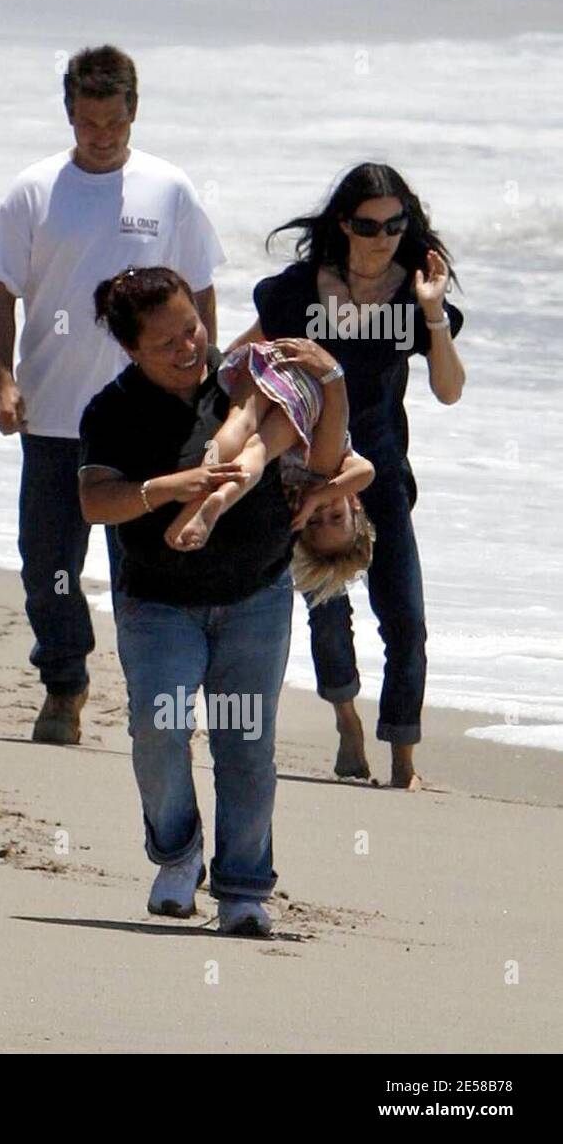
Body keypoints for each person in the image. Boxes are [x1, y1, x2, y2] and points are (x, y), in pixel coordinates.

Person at [0, 45, 225, 746]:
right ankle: (64, 680)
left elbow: (200, 292)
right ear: (69, 115)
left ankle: (152, 691)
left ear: (133, 112)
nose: (100, 136)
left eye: (112, 123)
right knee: (47, 562)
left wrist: (210, 388)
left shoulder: (169, 189)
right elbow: (0, 291)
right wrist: (3, 378)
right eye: (86, 123)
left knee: (146, 565)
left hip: (147, 420)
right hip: (53, 414)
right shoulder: (34, 191)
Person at [78, 267, 309, 937]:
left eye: (193, 328)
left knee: (246, 743)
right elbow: (95, 501)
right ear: (130, 351)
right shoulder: (111, 409)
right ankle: (178, 853)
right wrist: (167, 486)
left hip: (257, 591)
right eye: (166, 342)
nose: (189, 347)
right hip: (158, 600)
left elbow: (314, 423)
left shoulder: (243, 380)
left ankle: (243, 889)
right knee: (159, 725)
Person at [235, 163, 466, 788]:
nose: (383, 237)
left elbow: (449, 391)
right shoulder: (299, 292)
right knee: (326, 605)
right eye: (369, 225)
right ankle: (345, 719)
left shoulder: (413, 295)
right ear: (344, 223)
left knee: (406, 619)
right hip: (306, 466)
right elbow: (249, 359)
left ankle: (404, 757)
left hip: (381, 469)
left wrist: (434, 313)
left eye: (395, 224)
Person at [166, 337, 377, 574]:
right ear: (354, 503)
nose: (323, 512)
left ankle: (205, 486)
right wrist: (318, 496)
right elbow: (366, 471)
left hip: (265, 365)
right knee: (258, 449)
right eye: (337, 516)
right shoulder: (336, 471)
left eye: (314, 523)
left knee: (239, 423)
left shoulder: (291, 494)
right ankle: (218, 499)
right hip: (308, 399)